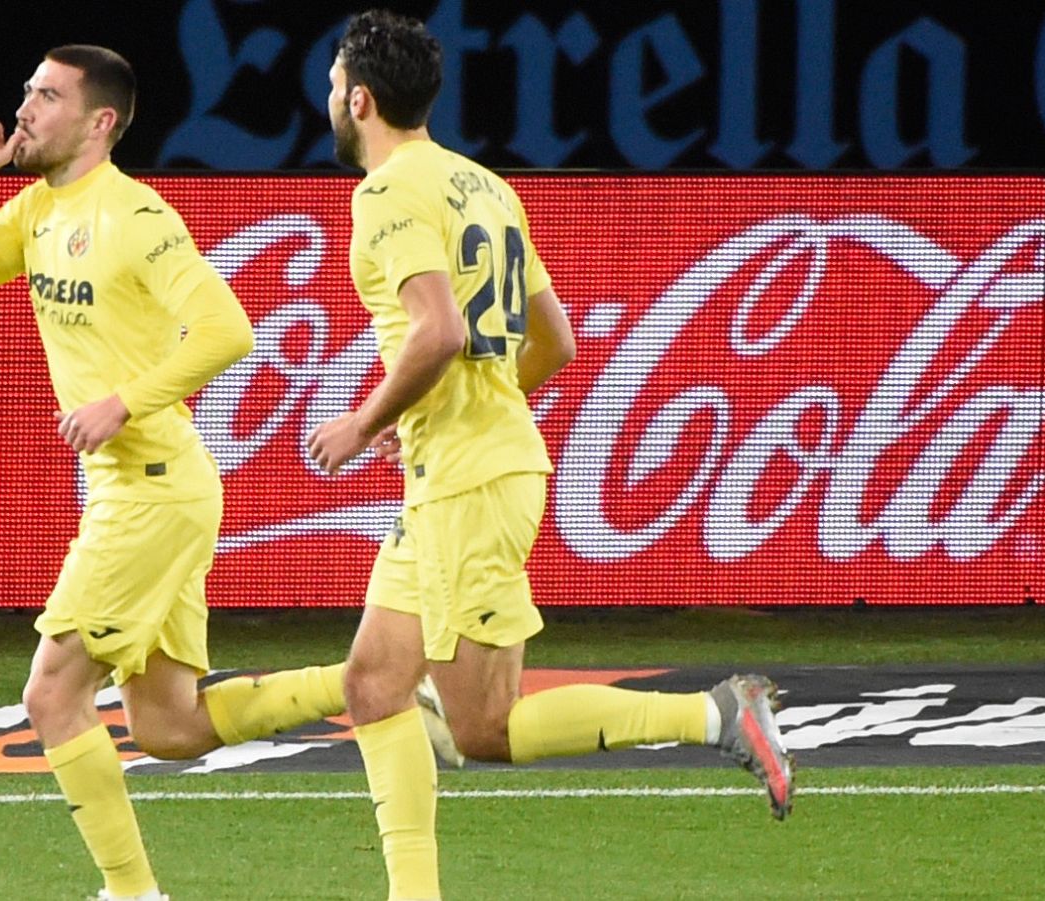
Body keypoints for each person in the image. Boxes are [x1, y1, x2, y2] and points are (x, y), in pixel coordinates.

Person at [304, 11, 795, 899]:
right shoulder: (485, 185)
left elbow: (439, 331)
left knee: (484, 727)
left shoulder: (382, 194)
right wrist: (468, 413)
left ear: (362, 99)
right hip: (469, 469)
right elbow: (556, 341)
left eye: (336, 86)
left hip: (468, 481)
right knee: (375, 682)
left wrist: (364, 420)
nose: (330, 99)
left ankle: (715, 712)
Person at [0, 45, 347, 901]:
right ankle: (372, 682)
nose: (24, 107)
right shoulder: (37, 209)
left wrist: (123, 402)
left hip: (149, 480)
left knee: (52, 694)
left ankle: (131, 894)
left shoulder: (138, 216)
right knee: (172, 725)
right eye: (26, 88)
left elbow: (229, 331)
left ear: (99, 121)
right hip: (151, 486)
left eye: (47, 95)